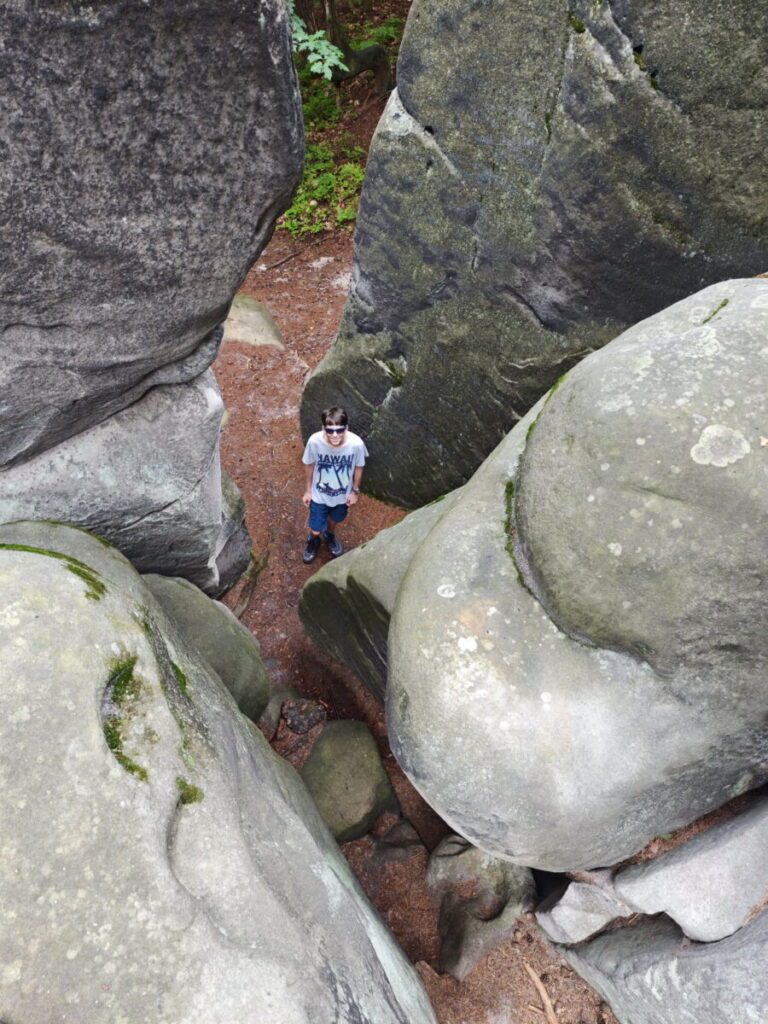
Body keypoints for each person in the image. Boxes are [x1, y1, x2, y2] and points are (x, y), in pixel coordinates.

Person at [301, 405, 368, 563]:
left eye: (339, 430)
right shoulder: (314, 442)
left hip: (342, 495)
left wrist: (355, 491)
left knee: (335, 520)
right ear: (323, 429)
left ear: (347, 428)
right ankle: (314, 540)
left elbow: (359, 467)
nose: (335, 435)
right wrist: (308, 491)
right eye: (330, 430)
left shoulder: (356, 444)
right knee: (316, 527)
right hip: (319, 495)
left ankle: (329, 535)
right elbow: (309, 465)